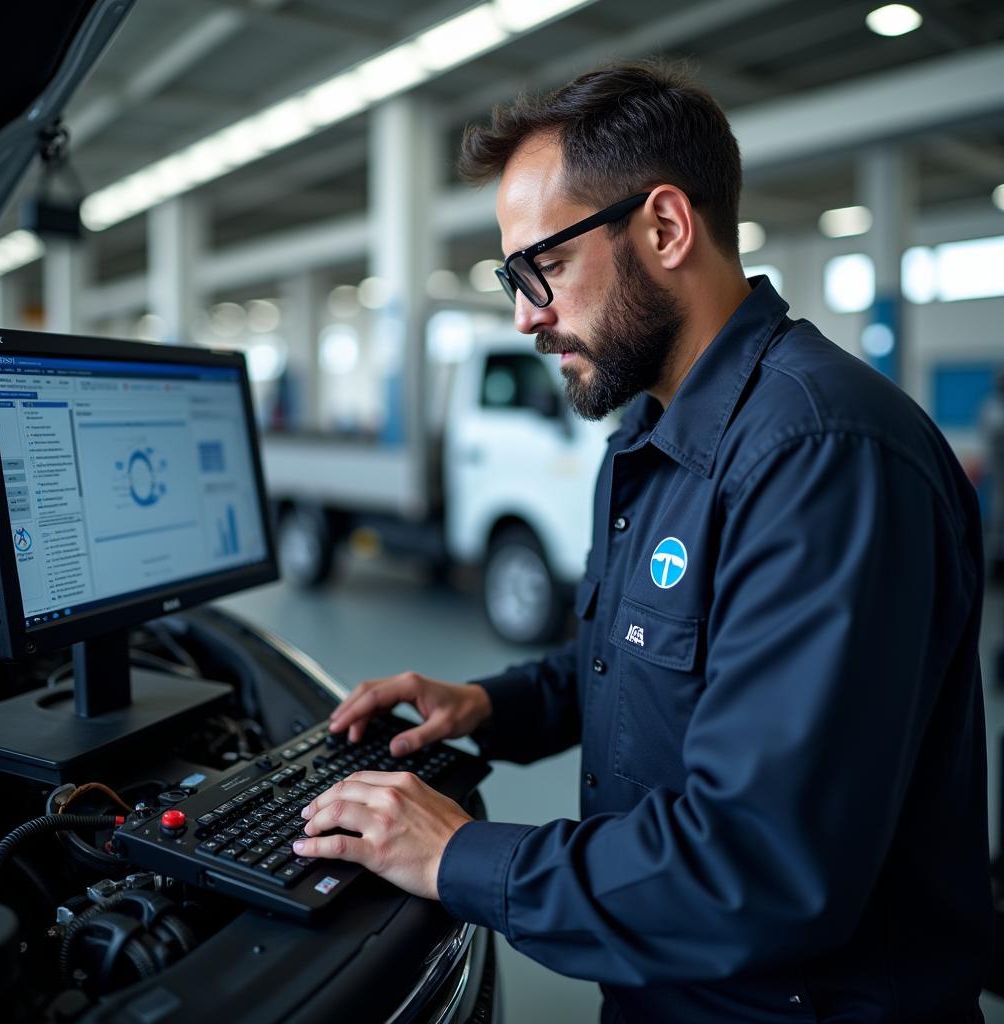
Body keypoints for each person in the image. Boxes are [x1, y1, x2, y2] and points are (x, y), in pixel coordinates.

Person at [292, 61, 993, 1022]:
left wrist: (456, 856)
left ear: (664, 227)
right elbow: (639, 664)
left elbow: (755, 867)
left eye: (542, 267)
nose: (525, 314)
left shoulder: (821, 456)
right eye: (512, 278)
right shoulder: (648, 434)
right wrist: (489, 705)